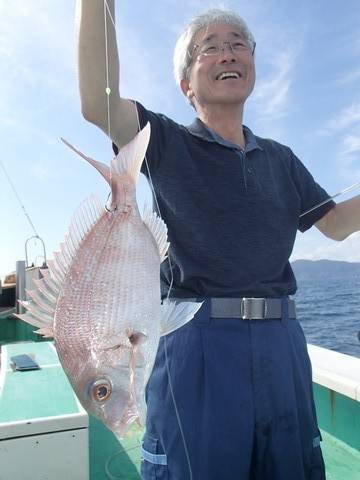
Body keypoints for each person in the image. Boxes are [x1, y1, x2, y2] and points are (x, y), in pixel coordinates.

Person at [76, 2, 360, 479]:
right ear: (186, 84)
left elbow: (334, 224)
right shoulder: (164, 141)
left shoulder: (281, 158)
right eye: (211, 48)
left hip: (282, 343)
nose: (228, 54)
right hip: (196, 343)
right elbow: (98, 102)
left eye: (238, 45)